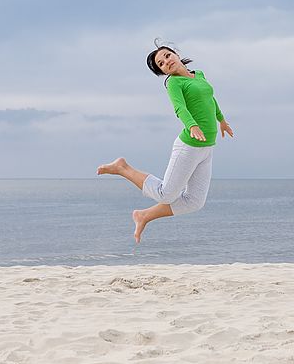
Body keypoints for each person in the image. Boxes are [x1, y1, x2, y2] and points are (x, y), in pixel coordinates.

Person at [97, 40, 234, 244]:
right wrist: (192, 126)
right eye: (161, 64)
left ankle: (143, 216)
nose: (166, 62)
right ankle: (122, 168)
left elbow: (210, 99)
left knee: (195, 201)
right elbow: (180, 108)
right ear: (162, 71)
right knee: (166, 194)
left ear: (176, 54)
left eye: (167, 56)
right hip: (188, 146)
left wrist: (221, 120)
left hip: (206, 148)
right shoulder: (174, 83)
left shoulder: (199, 75)